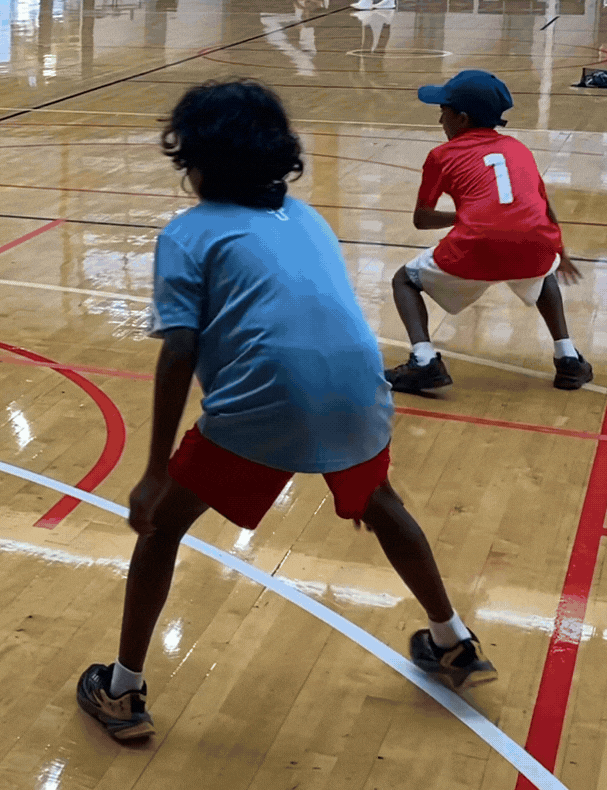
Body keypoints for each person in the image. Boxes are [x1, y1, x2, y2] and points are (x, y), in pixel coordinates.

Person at [74, 78, 495, 744]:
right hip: (360, 396)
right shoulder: (307, 217)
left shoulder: (188, 234)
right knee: (381, 503)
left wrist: (155, 470)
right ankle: (452, 639)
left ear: (195, 160)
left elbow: (178, 351)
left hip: (264, 406)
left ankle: (121, 690)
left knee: (161, 529)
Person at [385, 70, 592, 395]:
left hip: (475, 248)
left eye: (444, 111)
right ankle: (568, 359)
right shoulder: (517, 148)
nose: (440, 119)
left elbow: (421, 220)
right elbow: (545, 209)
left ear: (462, 118)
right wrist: (561, 254)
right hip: (536, 244)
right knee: (543, 269)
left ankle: (423, 361)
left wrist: (466, 216)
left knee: (404, 280)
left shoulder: (441, 155)